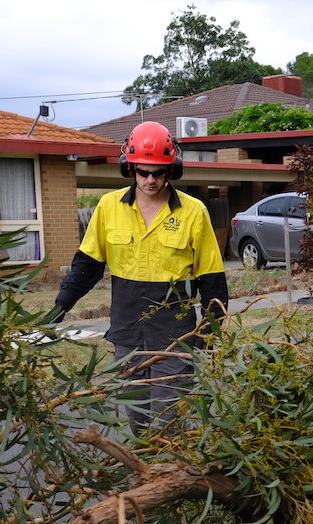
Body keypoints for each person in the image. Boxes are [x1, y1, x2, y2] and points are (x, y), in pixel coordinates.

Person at [52, 121, 228, 431]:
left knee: (168, 420)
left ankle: (175, 474)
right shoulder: (108, 207)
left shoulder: (193, 211)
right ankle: (147, 475)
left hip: (174, 338)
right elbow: (88, 264)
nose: (150, 179)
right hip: (127, 337)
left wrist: (208, 333)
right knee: (137, 420)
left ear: (171, 169)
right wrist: (61, 305)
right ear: (128, 167)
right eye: (143, 171)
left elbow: (211, 278)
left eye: (158, 172)